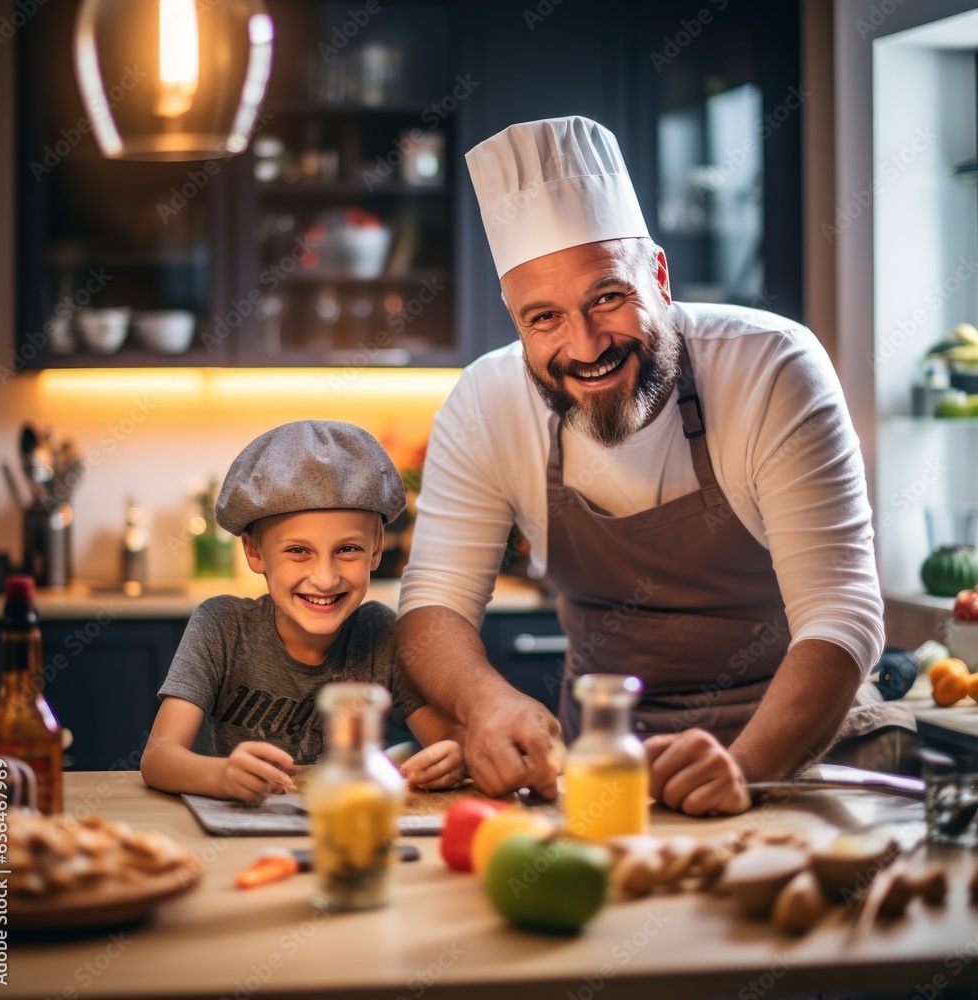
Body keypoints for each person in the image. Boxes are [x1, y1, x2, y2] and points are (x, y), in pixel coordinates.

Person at [395, 116, 915, 816]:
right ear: (515, 320)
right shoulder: (486, 402)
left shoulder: (770, 367)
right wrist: (485, 702)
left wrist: (745, 769)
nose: (584, 347)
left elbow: (842, 613)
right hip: (604, 771)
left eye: (607, 297)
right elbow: (431, 606)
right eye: (543, 318)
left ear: (660, 277)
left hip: (803, 761)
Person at [142, 420, 465, 803]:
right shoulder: (221, 627)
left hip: (349, 829)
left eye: (348, 549)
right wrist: (222, 775)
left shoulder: (382, 633)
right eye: (298, 551)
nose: (325, 579)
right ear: (255, 551)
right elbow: (158, 758)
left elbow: (449, 741)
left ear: (377, 548)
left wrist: (454, 756)